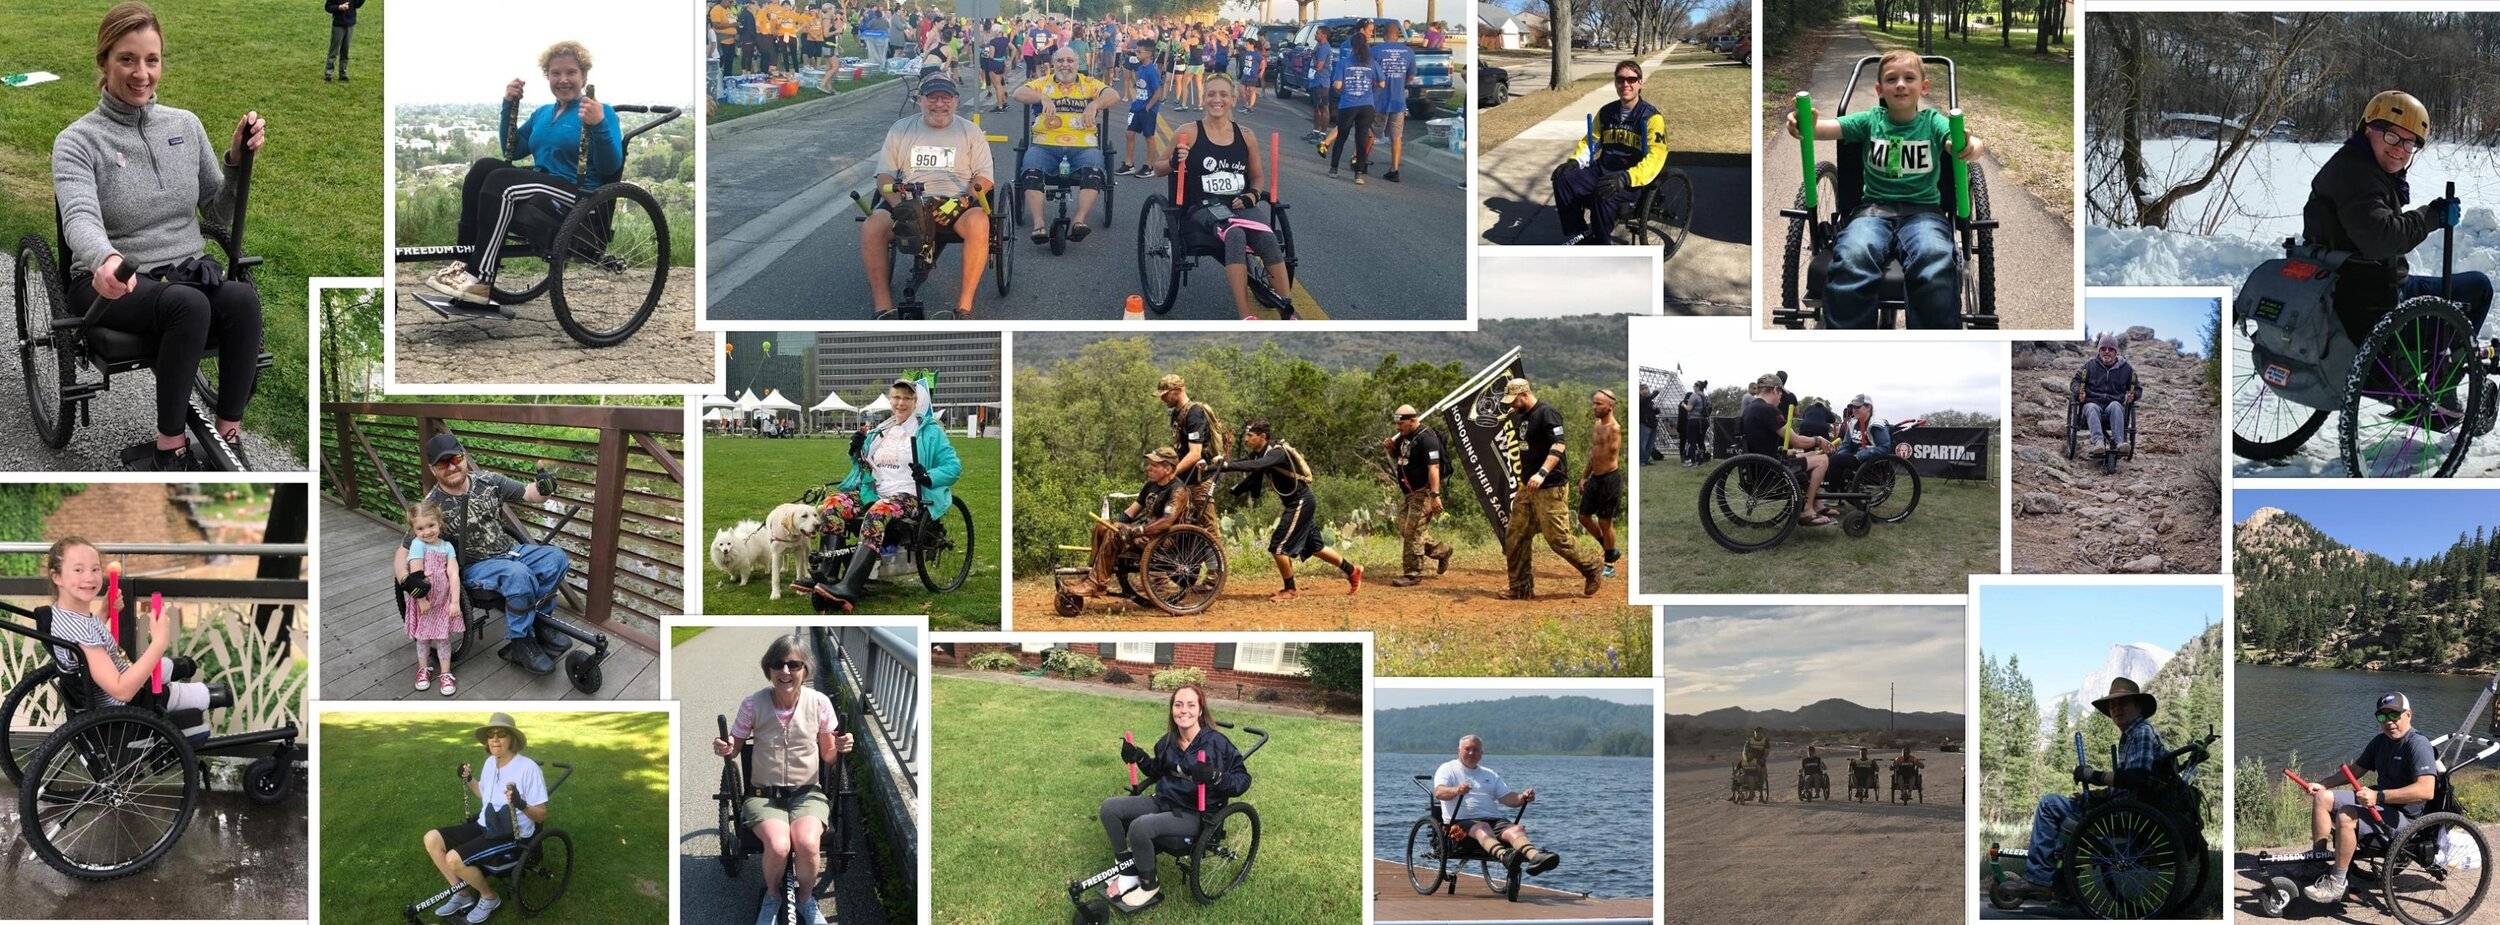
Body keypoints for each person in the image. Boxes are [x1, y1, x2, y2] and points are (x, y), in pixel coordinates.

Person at [56, 1, 268, 472]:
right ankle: (168, 444)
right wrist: (103, 258)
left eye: (151, 60)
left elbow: (216, 207)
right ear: (104, 62)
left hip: (183, 273)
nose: (141, 73)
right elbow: (79, 216)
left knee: (241, 299)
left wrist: (234, 161)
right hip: (111, 282)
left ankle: (228, 429)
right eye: (127, 59)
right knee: (188, 306)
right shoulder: (78, 140)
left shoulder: (185, 125)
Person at [1785, 50, 1983, 329]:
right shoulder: (1870, 121)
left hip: (1924, 213)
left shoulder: (1933, 122)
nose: (1900, 84)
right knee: (1853, 256)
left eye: (1909, 78)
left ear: (1923, 87)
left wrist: (1970, 145)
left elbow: (1959, 142)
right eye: (1892, 79)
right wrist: (1804, 124)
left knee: (1934, 257)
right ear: (1880, 89)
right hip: (1873, 212)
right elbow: (1823, 129)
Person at [423, 41, 622, 305]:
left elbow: (611, 166)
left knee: (502, 181)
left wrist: (598, 125)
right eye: (556, 73)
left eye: (571, 72)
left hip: (577, 193)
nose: (563, 79)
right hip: (543, 183)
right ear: (547, 77)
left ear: (584, 76)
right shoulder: (543, 114)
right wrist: (508, 105)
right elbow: (513, 148)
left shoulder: (600, 111)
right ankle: (462, 263)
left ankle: (480, 279)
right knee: (485, 167)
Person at [2307, 90, 2492, 362]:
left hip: (2346, 289)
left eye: (2409, 144)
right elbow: (2383, 238)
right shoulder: (2358, 175)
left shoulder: (2351, 164)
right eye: (2392, 136)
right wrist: (2433, 216)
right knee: (2478, 286)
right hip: (2374, 306)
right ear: (2368, 129)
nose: (2399, 149)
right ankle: (2444, 384)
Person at [713, 635, 857, 925]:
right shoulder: (753, 703)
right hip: (763, 796)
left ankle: (805, 898)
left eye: (794, 664)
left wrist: (841, 747)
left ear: (805, 670)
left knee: (806, 842)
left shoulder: (819, 703)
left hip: (807, 794)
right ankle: (772, 895)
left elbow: (829, 755)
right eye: (778, 664)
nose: (786, 671)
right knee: (778, 846)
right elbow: (736, 743)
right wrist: (726, 745)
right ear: (769, 669)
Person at [404, 433, 571, 675]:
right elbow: (404, 551)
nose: (452, 466)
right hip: (473, 567)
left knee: (556, 558)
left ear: (464, 457)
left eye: (456, 458)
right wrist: (407, 580)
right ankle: (520, 642)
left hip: (511, 551)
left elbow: (529, 493)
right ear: (432, 469)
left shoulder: (488, 480)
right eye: (442, 463)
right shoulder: (432, 506)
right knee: (518, 574)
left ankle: (538, 620)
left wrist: (545, 489)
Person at [38, 536, 229, 746]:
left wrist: (103, 613)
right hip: (127, 704)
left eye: (95, 569)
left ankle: (175, 672)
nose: (90, 578)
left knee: (181, 667)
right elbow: (121, 690)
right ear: (57, 577)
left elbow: (85, 650)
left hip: (110, 683)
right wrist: (159, 641)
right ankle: (189, 692)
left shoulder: (62, 614)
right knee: (213, 694)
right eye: (78, 570)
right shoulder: (80, 631)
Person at [2001, 679, 2173, 904]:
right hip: (2128, 808)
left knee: (2049, 804)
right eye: (2113, 705)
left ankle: (2040, 879)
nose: (2116, 709)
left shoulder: (2141, 732)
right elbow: (2128, 782)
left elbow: (2137, 779)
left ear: (2138, 707)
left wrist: (2093, 775)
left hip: (2127, 814)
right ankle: (2064, 886)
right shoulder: (2133, 734)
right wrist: (2094, 795)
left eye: (2123, 703)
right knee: (2071, 812)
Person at [799, 378, 961, 610]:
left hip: (908, 495)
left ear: (915, 402)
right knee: (831, 505)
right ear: (890, 399)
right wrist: (855, 450)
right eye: (896, 397)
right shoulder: (881, 430)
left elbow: (953, 467)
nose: (901, 403)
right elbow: (865, 466)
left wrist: (928, 476)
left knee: (877, 513)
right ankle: (828, 575)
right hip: (874, 492)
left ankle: (849, 588)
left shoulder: (929, 431)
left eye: (907, 398)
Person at [1154, 73, 1298, 319]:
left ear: (1232, 99)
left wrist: (1253, 195)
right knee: (1235, 234)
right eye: (1211, 94)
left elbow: (1257, 177)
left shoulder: (1246, 135)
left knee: (1268, 237)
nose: (1216, 100)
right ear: (1203, 98)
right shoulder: (1188, 131)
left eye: (1223, 95)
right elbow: (1157, 168)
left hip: (1239, 204)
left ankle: (1287, 308)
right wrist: (1174, 161)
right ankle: (1245, 316)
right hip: (1201, 206)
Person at [1103, 684, 1250, 913]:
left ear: (1200, 710)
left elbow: (1242, 780)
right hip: (1164, 800)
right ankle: (1128, 871)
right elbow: (1157, 771)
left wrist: (1215, 776)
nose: (1184, 710)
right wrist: (1139, 757)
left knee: (1139, 827)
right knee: (1109, 808)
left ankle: (1148, 884)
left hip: (1196, 813)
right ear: (1172, 709)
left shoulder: (1217, 744)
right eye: (1178, 704)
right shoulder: (1167, 742)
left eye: (1191, 705)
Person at [861, 76, 994, 318]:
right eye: (932, 98)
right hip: (910, 199)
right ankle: (883, 308)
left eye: (945, 98)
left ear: (955, 101)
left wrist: (963, 200)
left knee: (980, 222)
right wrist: (899, 206)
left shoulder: (970, 132)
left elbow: (985, 177)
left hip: (955, 202)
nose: (939, 104)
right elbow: (884, 177)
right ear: (920, 100)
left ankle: (964, 307)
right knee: (872, 225)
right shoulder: (901, 129)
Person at [2298, 692, 2442, 904]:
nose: (2389, 722)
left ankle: (2337, 884)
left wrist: (2378, 795)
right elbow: (2356, 770)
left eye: (2394, 715)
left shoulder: (2417, 744)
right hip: (2381, 807)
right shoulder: (2380, 741)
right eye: (2383, 717)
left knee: (2347, 816)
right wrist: (2323, 784)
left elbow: (2426, 790)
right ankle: (2317, 863)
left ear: (2408, 715)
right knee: (2322, 798)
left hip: (2405, 818)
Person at [1211, 420, 1362, 601]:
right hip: (1299, 503)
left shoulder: (1276, 452)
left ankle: (1290, 590)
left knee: (1278, 546)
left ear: (1262, 437)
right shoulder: (1260, 454)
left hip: (1300, 502)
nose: (1246, 439)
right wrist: (1215, 465)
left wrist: (1226, 465)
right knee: (1316, 547)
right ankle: (1353, 571)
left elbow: (1256, 466)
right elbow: (1245, 463)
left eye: (1250, 436)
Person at [423, 714, 552, 925]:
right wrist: (468, 779)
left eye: (501, 734)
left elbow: (542, 814)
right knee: (431, 839)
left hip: (512, 833)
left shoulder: (529, 769)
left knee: (453, 859)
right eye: (491, 735)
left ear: (512, 739)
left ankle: (489, 897)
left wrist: (521, 803)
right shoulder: (490, 763)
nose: (495, 739)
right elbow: (484, 794)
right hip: (486, 824)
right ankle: (463, 894)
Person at [1497, 378, 1602, 599]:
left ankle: (1592, 566)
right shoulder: (1520, 416)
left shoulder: (1547, 413)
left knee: (1557, 539)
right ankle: (1520, 588)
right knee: (1515, 535)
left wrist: (1542, 472)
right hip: (1528, 487)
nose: (1511, 405)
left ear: (1524, 394)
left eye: (1514, 401)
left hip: (1550, 486)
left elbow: (1559, 444)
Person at [1550, 60, 1666, 245]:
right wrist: (1574, 162)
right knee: (1563, 177)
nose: (1625, 84)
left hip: (1630, 179)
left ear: (1640, 83)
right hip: (1604, 169)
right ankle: (1579, 233)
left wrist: (1626, 178)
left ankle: (1601, 244)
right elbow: (1591, 141)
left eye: (1631, 79)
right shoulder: (1606, 112)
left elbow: (1656, 157)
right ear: (1615, 83)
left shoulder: (1652, 117)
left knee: (1604, 192)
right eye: (1620, 79)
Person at [1012, 47, 1119, 245]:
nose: (1065, 64)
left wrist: (1095, 104)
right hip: (1045, 145)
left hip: (1083, 146)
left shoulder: (1088, 84)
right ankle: (1039, 224)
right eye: (1060, 60)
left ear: (1078, 64)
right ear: (1053, 63)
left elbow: (1113, 94)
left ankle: (1079, 221)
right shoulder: (1043, 83)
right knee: (1031, 171)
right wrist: (1041, 97)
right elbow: (1018, 93)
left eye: (1070, 60)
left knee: (1094, 172)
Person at [1063, 448, 1187, 597]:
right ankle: (1092, 576)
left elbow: (1166, 522)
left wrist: (1137, 531)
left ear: (1168, 468)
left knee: (1114, 534)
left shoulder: (1178, 490)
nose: (1148, 468)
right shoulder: (1150, 485)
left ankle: (1096, 584)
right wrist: (1115, 523)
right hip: (1144, 533)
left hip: (1162, 539)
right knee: (1102, 527)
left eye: (1154, 465)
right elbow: (1131, 511)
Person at [1434, 735, 1561, 875]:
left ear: (1481, 753)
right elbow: (1439, 792)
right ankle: (1505, 857)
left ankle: (1535, 857)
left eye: (1476, 750)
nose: (1471, 753)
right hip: (1460, 822)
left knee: (1516, 829)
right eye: (1467, 749)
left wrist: (1522, 797)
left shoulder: (1489, 774)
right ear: (1458, 750)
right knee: (1482, 827)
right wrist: (1456, 790)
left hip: (1493, 820)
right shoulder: (1447, 769)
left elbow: (1508, 798)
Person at [1737, 373, 1832, 526]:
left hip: (1761, 465)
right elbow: (1797, 440)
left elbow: (1761, 443)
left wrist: (1789, 451)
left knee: (1813, 453)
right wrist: (1818, 440)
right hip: (1772, 470)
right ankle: (1806, 510)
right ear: (1775, 390)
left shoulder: (1751, 408)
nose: (1781, 398)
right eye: (1781, 393)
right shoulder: (1768, 410)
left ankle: (1816, 504)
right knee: (1822, 459)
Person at [399, 501, 465, 697]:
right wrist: (420, 600)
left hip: (442, 600)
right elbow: (416, 575)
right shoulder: (418, 545)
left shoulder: (447, 547)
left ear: (439, 523)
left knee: (443, 638)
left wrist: (454, 601)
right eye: (420, 528)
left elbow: (453, 574)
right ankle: (424, 669)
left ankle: (445, 673)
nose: (427, 531)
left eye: (431, 526)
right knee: (423, 638)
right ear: (413, 530)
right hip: (424, 601)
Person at [1385, 405, 1454, 587]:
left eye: (1401, 423)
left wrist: (1434, 495)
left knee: (1413, 532)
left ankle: (1413, 573)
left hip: (1423, 492)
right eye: (1397, 424)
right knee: (1404, 527)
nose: (1398, 428)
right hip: (1408, 492)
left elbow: (1434, 468)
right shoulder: (1405, 437)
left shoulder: (1427, 438)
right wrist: (1391, 448)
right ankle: (1442, 551)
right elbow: (1399, 457)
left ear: (1413, 420)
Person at [1157, 374, 1223, 528]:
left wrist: (1171, 474)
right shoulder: (1176, 413)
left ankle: (1217, 553)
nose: (1163, 399)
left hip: (1199, 479)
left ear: (1178, 390)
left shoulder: (1194, 413)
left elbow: (1195, 454)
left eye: (1165, 395)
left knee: (1207, 525)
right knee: (1183, 523)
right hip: (1184, 479)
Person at [1318, 30, 1378, 183]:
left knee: (1342, 137)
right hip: (1367, 105)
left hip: (1348, 104)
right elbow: (1382, 82)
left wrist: (1342, 88)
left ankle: (1334, 169)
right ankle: (1359, 174)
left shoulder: (1345, 62)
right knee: (1361, 139)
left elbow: (1337, 84)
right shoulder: (1371, 62)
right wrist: (1369, 87)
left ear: (1352, 46)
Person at [1578, 390, 1624, 578]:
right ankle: (1609, 548)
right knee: (1583, 516)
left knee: (1605, 521)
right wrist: (1584, 476)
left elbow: (1609, 454)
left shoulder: (1614, 429)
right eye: (1594, 403)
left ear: (1609, 407)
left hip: (1610, 479)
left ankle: (1609, 565)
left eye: (1598, 404)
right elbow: (1594, 454)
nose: (1594, 407)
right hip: (1595, 478)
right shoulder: (1597, 425)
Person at [2074, 333, 2141, 457]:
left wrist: (2134, 396)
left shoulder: (2126, 368)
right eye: (2103, 349)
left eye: (2111, 349)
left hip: (2113, 406)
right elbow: (2075, 382)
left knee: (2116, 405)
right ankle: (2098, 443)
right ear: (2099, 350)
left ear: (2116, 352)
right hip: (2093, 404)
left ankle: (2120, 443)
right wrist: (2079, 392)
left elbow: (2137, 389)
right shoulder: (2090, 365)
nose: (2107, 352)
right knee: (2091, 407)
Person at [1371, 21, 1413, 181]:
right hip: (1398, 101)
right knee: (1396, 136)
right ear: (1398, 34)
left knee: (1370, 133)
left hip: (1378, 99)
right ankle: (1394, 169)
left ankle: (1359, 160)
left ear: (1384, 34)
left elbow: (1370, 74)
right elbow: (1410, 76)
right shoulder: (1408, 52)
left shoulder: (1375, 50)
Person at [1117, 38, 1164, 177]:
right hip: (1137, 106)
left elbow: (1158, 92)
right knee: (1129, 133)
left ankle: (1149, 166)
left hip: (1147, 109)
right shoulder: (1140, 68)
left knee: (1149, 136)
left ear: (1149, 54)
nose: (1136, 53)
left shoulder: (1151, 70)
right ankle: (1129, 164)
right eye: (1136, 50)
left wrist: (1149, 107)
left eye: (1139, 51)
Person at [1832, 394, 1891, 482]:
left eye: (1857, 407)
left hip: (1870, 462)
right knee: (1829, 458)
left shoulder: (1877, 424)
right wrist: (1840, 454)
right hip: (1855, 458)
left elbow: (1884, 448)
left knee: (1835, 460)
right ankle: (1834, 490)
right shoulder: (1852, 423)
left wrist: (1860, 455)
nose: (1854, 410)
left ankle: (1833, 492)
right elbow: (1846, 445)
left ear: (1868, 407)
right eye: (1853, 407)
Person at [1302, 27, 1335, 143]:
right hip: (1315, 81)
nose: (1315, 35)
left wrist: (1313, 56)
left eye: (1317, 33)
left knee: (1323, 108)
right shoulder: (1319, 46)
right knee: (1316, 108)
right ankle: (1315, 132)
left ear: (1324, 35)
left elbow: (1319, 66)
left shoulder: (1324, 48)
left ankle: (1322, 134)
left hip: (1321, 82)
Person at [323, 0, 365, 82]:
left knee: (345, 51)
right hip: (338, 24)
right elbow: (328, 7)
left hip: (350, 24)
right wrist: (339, 7)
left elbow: (357, 5)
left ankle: (343, 74)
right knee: (334, 51)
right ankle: (328, 73)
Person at [980, 24, 1013, 109]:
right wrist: (1010, 59)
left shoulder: (993, 41)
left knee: (997, 86)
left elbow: (991, 55)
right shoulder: (1005, 40)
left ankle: (1000, 106)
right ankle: (1004, 102)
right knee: (1001, 84)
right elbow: (1014, 49)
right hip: (1002, 63)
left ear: (995, 31)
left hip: (993, 64)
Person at [711, 0, 743, 77]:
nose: (731, 3)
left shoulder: (728, 10)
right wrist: (732, 24)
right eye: (730, 1)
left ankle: (727, 79)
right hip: (722, 40)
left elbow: (732, 22)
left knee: (729, 62)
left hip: (731, 40)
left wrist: (736, 25)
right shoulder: (716, 9)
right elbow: (716, 25)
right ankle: (717, 80)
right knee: (721, 61)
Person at [1238, 38, 1265, 112]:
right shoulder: (1246, 53)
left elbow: (1263, 62)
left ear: (1252, 45)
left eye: (1247, 44)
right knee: (1241, 90)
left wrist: (1261, 71)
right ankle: (1246, 104)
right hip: (1245, 74)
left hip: (1253, 75)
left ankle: (1251, 106)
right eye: (1245, 44)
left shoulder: (1256, 54)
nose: (1245, 46)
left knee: (1251, 90)